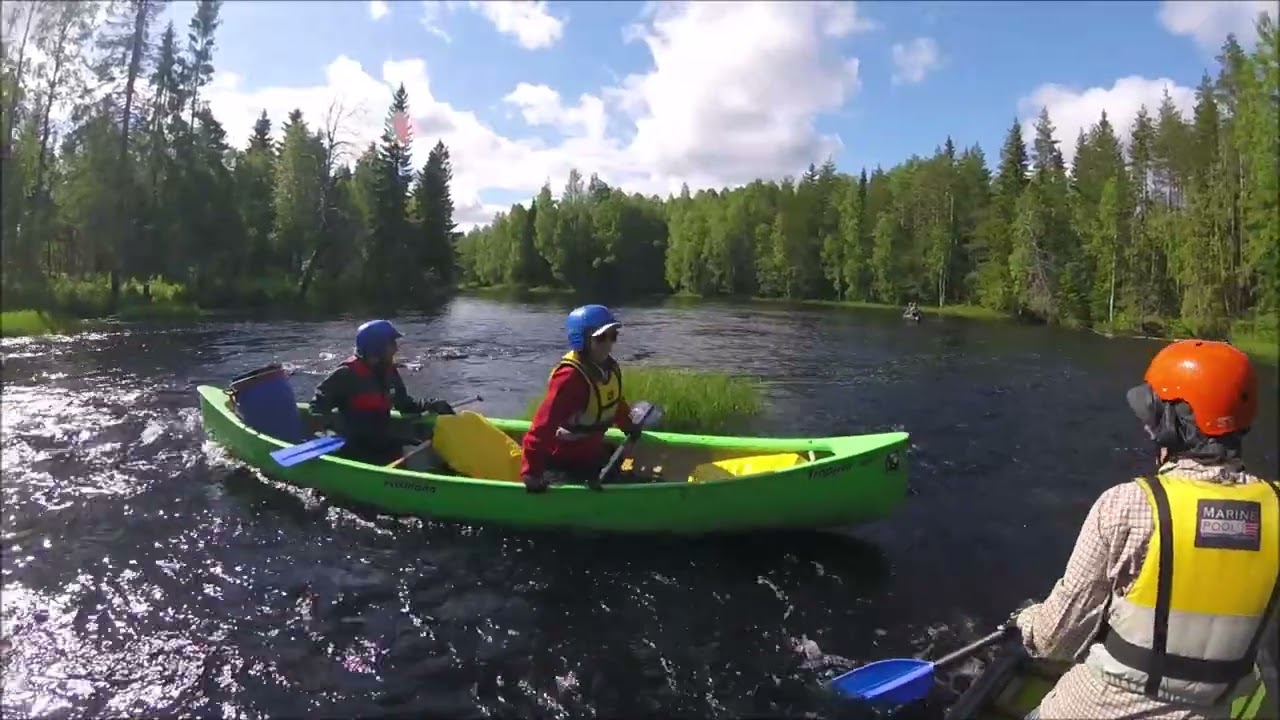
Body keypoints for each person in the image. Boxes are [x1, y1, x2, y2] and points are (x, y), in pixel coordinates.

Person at [1012, 339, 1277, 719]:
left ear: (1174, 423)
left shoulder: (1127, 505)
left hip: (1094, 709)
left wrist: (1026, 620)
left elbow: (1057, 641)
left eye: (1154, 415)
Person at [520, 304, 643, 493]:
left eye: (613, 336)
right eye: (601, 337)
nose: (609, 344)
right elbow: (542, 428)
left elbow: (613, 401)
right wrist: (531, 473)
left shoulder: (608, 367)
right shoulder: (569, 378)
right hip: (562, 463)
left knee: (625, 475)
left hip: (591, 455)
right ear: (581, 341)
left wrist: (627, 425)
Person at [309, 319, 455, 465]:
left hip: (381, 442)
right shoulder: (346, 374)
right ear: (375, 348)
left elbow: (405, 406)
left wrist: (432, 404)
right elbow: (318, 405)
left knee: (430, 453)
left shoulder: (389, 373)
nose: (396, 349)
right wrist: (324, 428)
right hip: (354, 446)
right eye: (391, 344)